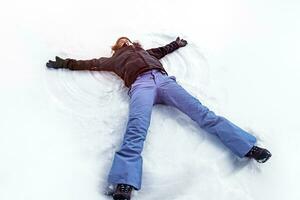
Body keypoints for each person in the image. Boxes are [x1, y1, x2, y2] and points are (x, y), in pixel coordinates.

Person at [46, 36, 272, 200]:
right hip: (140, 86)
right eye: (121, 42)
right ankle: (124, 182)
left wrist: (176, 44)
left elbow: (164, 49)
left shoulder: (147, 52)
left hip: (164, 81)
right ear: (117, 47)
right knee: (136, 128)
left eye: (127, 40)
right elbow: (91, 63)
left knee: (204, 115)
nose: (125, 42)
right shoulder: (114, 60)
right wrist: (66, 63)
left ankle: (247, 147)